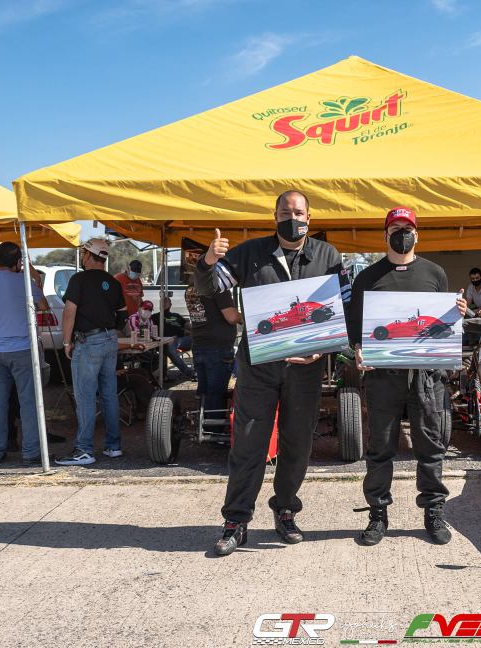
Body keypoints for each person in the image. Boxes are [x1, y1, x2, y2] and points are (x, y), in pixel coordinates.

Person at [196, 189, 350, 556]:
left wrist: (325, 347)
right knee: (249, 443)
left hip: (306, 370)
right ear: (275, 216)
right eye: (284, 212)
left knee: (297, 443)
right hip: (258, 366)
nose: (291, 219)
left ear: (309, 218)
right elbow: (208, 287)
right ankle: (235, 521)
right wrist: (207, 261)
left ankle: (285, 510)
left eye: (298, 213)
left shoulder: (328, 255)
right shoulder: (249, 253)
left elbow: (344, 305)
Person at [347, 207, 466, 546]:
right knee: (380, 448)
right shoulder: (367, 277)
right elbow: (355, 324)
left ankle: (434, 511)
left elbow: (444, 323)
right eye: (395, 228)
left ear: (417, 234)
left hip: (426, 376)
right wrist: (358, 349)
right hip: (383, 376)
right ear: (385, 235)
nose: (402, 233)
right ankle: (377, 514)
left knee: (431, 446)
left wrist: (458, 313)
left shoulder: (435, 273)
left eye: (407, 228)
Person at [57, 238, 126, 466]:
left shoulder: (79, 279)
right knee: (109, 394)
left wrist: (66, 342)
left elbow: (69, 312)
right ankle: (113, 446)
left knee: (85, 396)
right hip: (109, 339)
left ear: (87, 255)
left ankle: (84, 449)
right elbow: (123, 314)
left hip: (88, 341)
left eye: (83, 253)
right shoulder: (113, 282)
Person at [0, 242, 48, 467]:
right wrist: (31, 273)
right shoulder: (24, 282)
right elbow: (43, 305)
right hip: (22, 349)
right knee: (28, 403)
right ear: (18, 262)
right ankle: (31, 452)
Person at [187, 280, 240, 433]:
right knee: (216, 392)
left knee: (204, 389)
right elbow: (231, 317)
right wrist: (244, 317)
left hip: (199, 344)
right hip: (217, 347)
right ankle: (213, 432)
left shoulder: (190, 288)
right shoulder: (218, 288)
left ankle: (202, 426)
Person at [151, 295, 196, 379]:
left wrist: (189, 326)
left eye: (166, 301)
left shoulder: (176, 315)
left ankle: (199, 369)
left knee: (199, 340)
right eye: (162, 301)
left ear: (170, 304)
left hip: (182, 339)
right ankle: (190, 373)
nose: (164, 302)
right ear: (159, 305)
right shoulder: (155, 316)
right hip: (168, 340)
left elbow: (186, 324)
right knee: (169, 349)